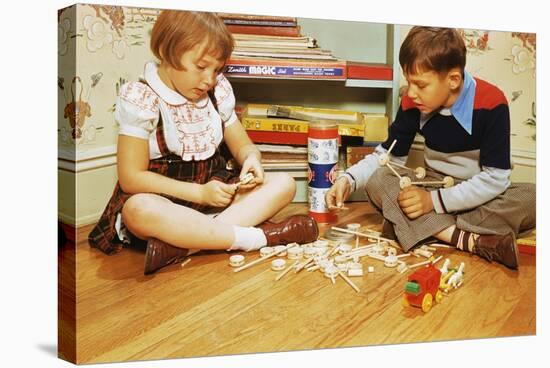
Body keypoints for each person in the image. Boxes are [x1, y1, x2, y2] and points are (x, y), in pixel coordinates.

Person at [88, 10, 318, 275]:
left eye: (217, 69)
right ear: (166, 50)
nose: (209, 79)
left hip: (214, 203)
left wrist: (252, 160)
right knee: (137, 209)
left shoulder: (217, 92)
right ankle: (259, 238)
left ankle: (185, 245)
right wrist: (199, 193)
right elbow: (131, 178)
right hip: (167, 205)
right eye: (200, 66)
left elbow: (243, 145)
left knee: (284, 184)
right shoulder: (142, 98)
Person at [326, 26, 535, 269]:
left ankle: (415, 225)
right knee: (379, 180)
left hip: (478, 193)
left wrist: (433, 203)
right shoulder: (412, 102)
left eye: (421, 85)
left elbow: (495, 180)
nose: (411, 93)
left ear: (453, 80)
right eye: (408, 82)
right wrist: (348, 179)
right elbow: (387, 158)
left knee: (534, 197)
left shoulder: (492, 103)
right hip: (432, 183)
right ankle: (468, 240)